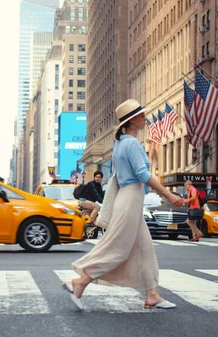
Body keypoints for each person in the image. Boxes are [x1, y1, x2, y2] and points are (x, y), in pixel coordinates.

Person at [61, 99, 183, 310]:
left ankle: (152, 294)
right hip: (131, 198)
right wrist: (168, 195)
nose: (145, 117)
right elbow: (143, 174)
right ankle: (80, 281)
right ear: (132, 120)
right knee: (117, 247)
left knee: (145, 249)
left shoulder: (120, 144)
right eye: (142, 115)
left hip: (130, 198)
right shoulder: (131, 143)